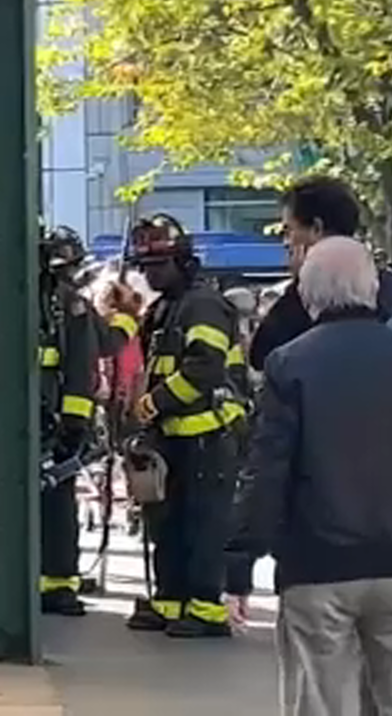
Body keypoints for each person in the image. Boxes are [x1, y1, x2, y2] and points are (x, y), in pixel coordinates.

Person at [225, 237, 392, 716]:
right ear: (374, 287)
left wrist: (240, 563)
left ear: (306, 292)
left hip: (318, 567)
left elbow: (268, 468)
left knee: (320, 701)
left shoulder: (290, 363)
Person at [111, 214, 250, 639]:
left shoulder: (203, 305)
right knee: (166, 523)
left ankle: (206, 609)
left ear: (183, 262)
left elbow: (204, 369)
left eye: (159, 265)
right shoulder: (165, 308)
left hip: (209, 436)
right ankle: (170, 601)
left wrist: (151, 404)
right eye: (145, 267)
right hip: (173, 438)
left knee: (203, 525)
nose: (150, 274)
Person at [249, 176, 392, 372]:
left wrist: (301, 284)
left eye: (289, 231)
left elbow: (263, 357)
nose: (286, 242)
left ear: (316, 228)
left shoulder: (302, 299)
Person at [37, 226, 100, 616]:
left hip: (54, 419)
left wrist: (73, 423)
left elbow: (83, 363)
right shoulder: (65, 303)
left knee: (57, 505)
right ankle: (48, 583)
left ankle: (58, 584)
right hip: (33, 419)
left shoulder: (68, 305)